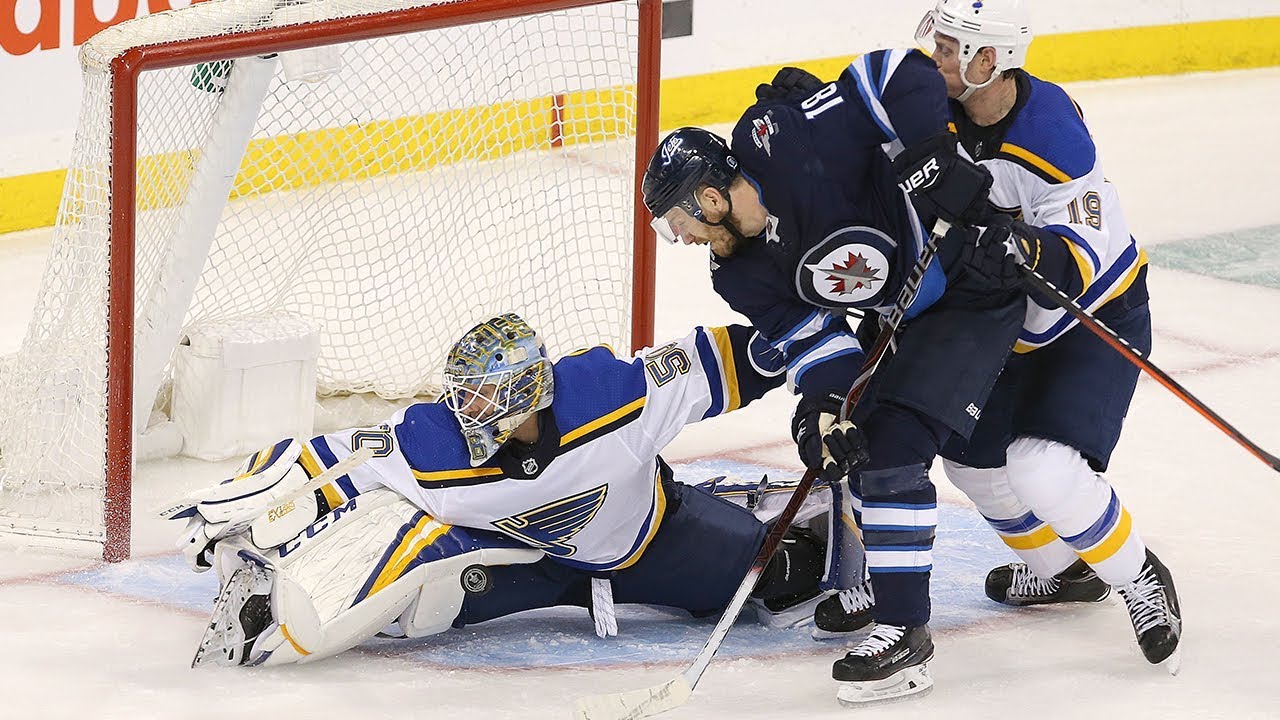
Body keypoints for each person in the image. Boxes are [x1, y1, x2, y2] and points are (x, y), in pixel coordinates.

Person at [643, 50, 1026, 702]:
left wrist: (931, 158)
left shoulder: (781, 139)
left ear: (709, 198)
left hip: (972, 284)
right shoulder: (738, 274)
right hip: (906, 317)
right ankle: (892, 585)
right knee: (864, 442)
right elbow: (817, 344)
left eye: (680, 224)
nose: (681, 240)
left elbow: (896, 76)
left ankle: (906, 636)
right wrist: (822, 413)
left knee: (900, 452)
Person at [162, 314, 830, 668]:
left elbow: (741, 357)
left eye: (481, 392)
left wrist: (826, 360)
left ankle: (747, 511)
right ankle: (271, 606)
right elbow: (328, 458)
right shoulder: (433, 441)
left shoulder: (612, 396)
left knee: (780, 573)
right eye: (462, 391)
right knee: (407, 611)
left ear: (525, 391)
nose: (465, 406)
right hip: (525, 561)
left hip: (655, 539)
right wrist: (249, 501)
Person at [915, 0, 1182, 668]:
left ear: (989, 61)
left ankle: (1138, 576)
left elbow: (1078, 262)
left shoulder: (1052, 133)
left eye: (950, 49)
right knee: (969, 460)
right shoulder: (931, 115)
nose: (936, 58)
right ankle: (1066, 571)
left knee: (1040, 464)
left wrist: (1025, 248)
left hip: (1095, 316)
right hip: (1005, 323)